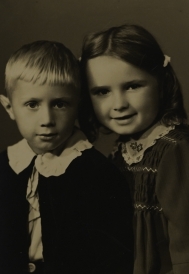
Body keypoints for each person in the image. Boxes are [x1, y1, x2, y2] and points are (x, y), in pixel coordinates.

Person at [0, 40, 134, 274]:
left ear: (77, 105)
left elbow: (112, 258)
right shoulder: (5, 165)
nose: (47, 119)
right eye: (32, 104)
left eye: (60, 104)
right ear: (9, 107)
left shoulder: (96, 173)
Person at [79, 24, 189, 274]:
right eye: (102, 92)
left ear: (161, 82)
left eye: (132, 86)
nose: (119, 104)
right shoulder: (120, 154)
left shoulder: (175, 150)